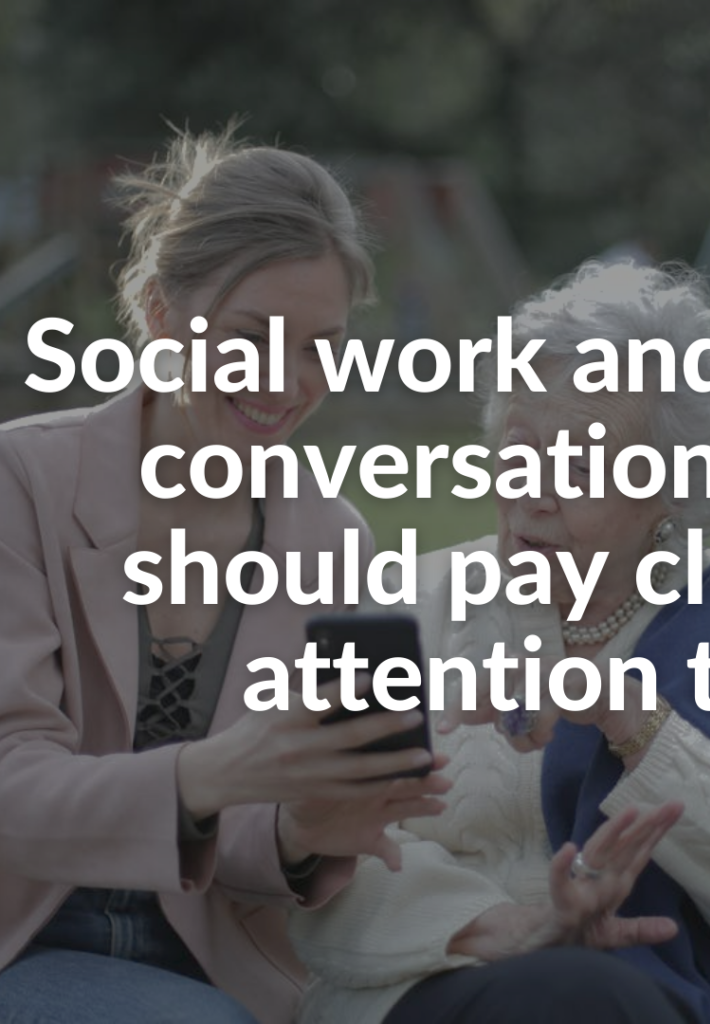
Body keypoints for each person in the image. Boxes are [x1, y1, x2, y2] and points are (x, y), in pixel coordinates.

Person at [290, 262, 710, 1024]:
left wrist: (631, 721)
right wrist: (504, 927)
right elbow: (324, 848)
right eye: (517, 450)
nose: (532, 490)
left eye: (578, 464)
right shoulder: (400, 607)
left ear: (674, 493)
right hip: (423, 993)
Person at [0, 129, 449, 1024]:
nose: (285, 382)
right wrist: (209, 773)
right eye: (252, 337)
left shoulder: (334, 539)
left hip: (220, 965)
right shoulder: (21, 484)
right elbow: (10, 789)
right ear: (162, 312)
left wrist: (300, 831)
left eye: (322, 344)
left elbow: (253, 833)